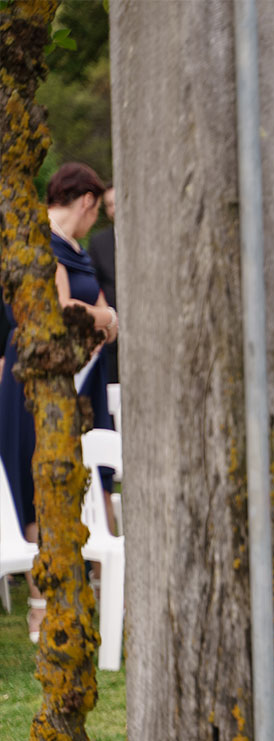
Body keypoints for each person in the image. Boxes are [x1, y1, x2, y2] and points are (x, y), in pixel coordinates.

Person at [0, 162, 118, 642]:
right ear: (88, 201)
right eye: (97, 210)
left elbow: (96, 311)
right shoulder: (39, 243)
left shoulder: (76, 249)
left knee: (84, 481)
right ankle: (41, 606)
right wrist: (105, 316)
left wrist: (103, 317)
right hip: (40, 376)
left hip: (84, 374)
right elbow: (61, 309)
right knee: (39, 481)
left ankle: (88, 593)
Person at [88, 185, 118, 383]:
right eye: (109, 205)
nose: (114, 208)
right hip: (113, 341)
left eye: (117, 202)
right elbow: (93, 287)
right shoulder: (98, 243)